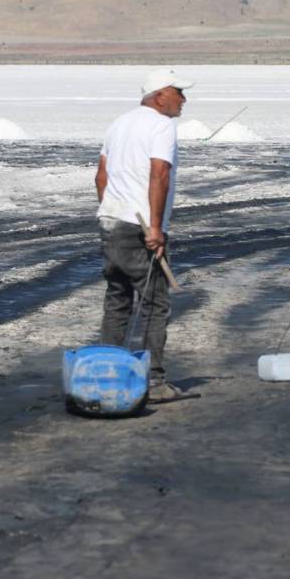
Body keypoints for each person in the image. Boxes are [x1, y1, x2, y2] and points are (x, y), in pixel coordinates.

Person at [94, 68, 193, 402]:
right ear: (160, 94)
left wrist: (112, 210)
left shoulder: (119, 123)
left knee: (117, 299)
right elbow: (159, 173)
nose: (183, 99)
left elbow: (101, 176)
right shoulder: (161, 125)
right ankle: (155, 381)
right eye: (178, 91)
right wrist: (155, 227)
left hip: (111, 220)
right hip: (138, 226)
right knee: (153, 302)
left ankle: (106, 373)